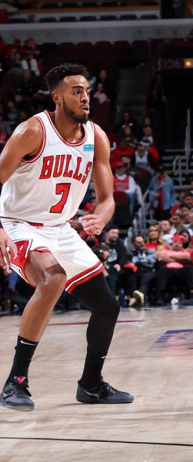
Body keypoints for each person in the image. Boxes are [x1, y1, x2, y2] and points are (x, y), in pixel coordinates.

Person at [0, 64, 133, 411]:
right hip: (19, 223)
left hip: (60, 229)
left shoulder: (96, 137)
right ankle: (15, 382)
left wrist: (100, 217)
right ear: (57, 97)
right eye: (76, 91)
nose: (85, 97)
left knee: (107, 306)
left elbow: (107, 199)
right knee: (53, 278)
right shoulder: (32, 131)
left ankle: (91, 385)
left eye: (87, 91)